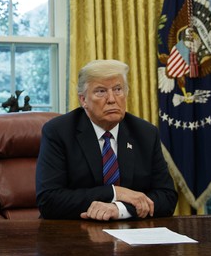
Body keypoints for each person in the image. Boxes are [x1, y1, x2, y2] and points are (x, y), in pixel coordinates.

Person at [35, 59, 178, 220]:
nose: (111, 99)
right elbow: (49, 200)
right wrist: (115, 192)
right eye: (101, 91)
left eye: (118, 89)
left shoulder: (145, 133)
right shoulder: (59, 132)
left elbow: (167, 197)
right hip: (71, 232)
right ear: (83, 100)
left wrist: (119, 208)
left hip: (132, 235)